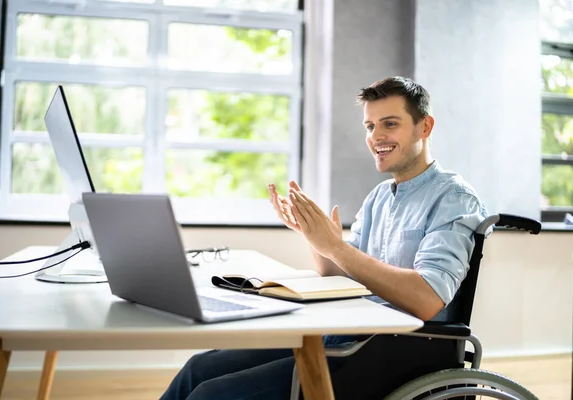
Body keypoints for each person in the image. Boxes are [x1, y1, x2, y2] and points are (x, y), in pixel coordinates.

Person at [160, 76, 488, 400]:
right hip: (342, 336)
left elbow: (427, 299)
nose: (377, 136)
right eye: (370, 126)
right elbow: (343, 280)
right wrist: (314, 238)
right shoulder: (379, 198)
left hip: (388, 352)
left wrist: (336, 247)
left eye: (390, 124)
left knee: (212, 394)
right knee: (198, 368)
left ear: (425, 127)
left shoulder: (454, 198)